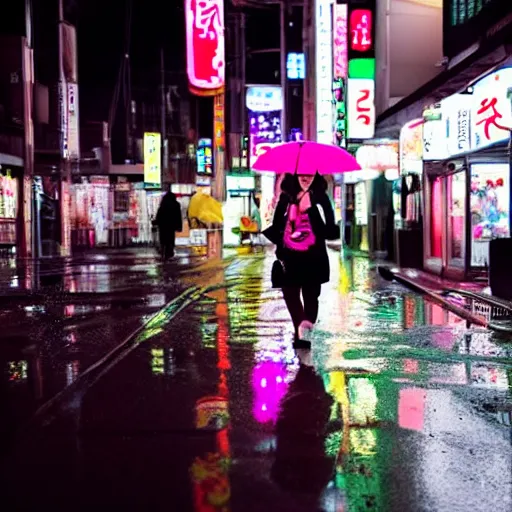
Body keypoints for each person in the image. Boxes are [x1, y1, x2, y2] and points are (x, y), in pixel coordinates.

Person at [264, 173, 339, 348]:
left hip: (314, 259)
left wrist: (310, 210)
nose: (306, 177)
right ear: (295, 173)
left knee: (311, 298)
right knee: (290, 295)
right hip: (289, 259)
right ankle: (301, 330)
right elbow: (276, 229)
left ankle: (305, 334)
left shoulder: (321, 197)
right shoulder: (286, 197)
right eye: (302, 173)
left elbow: (330, 232)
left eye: (310, 173)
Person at [154, 190, 182, 260]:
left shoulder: (163, 204)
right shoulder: (176, 204)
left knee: (163, 240)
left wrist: (156, 222)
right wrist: (179, 226)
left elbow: (159, 215)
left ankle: (163, 254)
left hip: (163, 226)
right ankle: (169, 253)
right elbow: (178, 216)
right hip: (171, 226)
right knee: (170, 240)